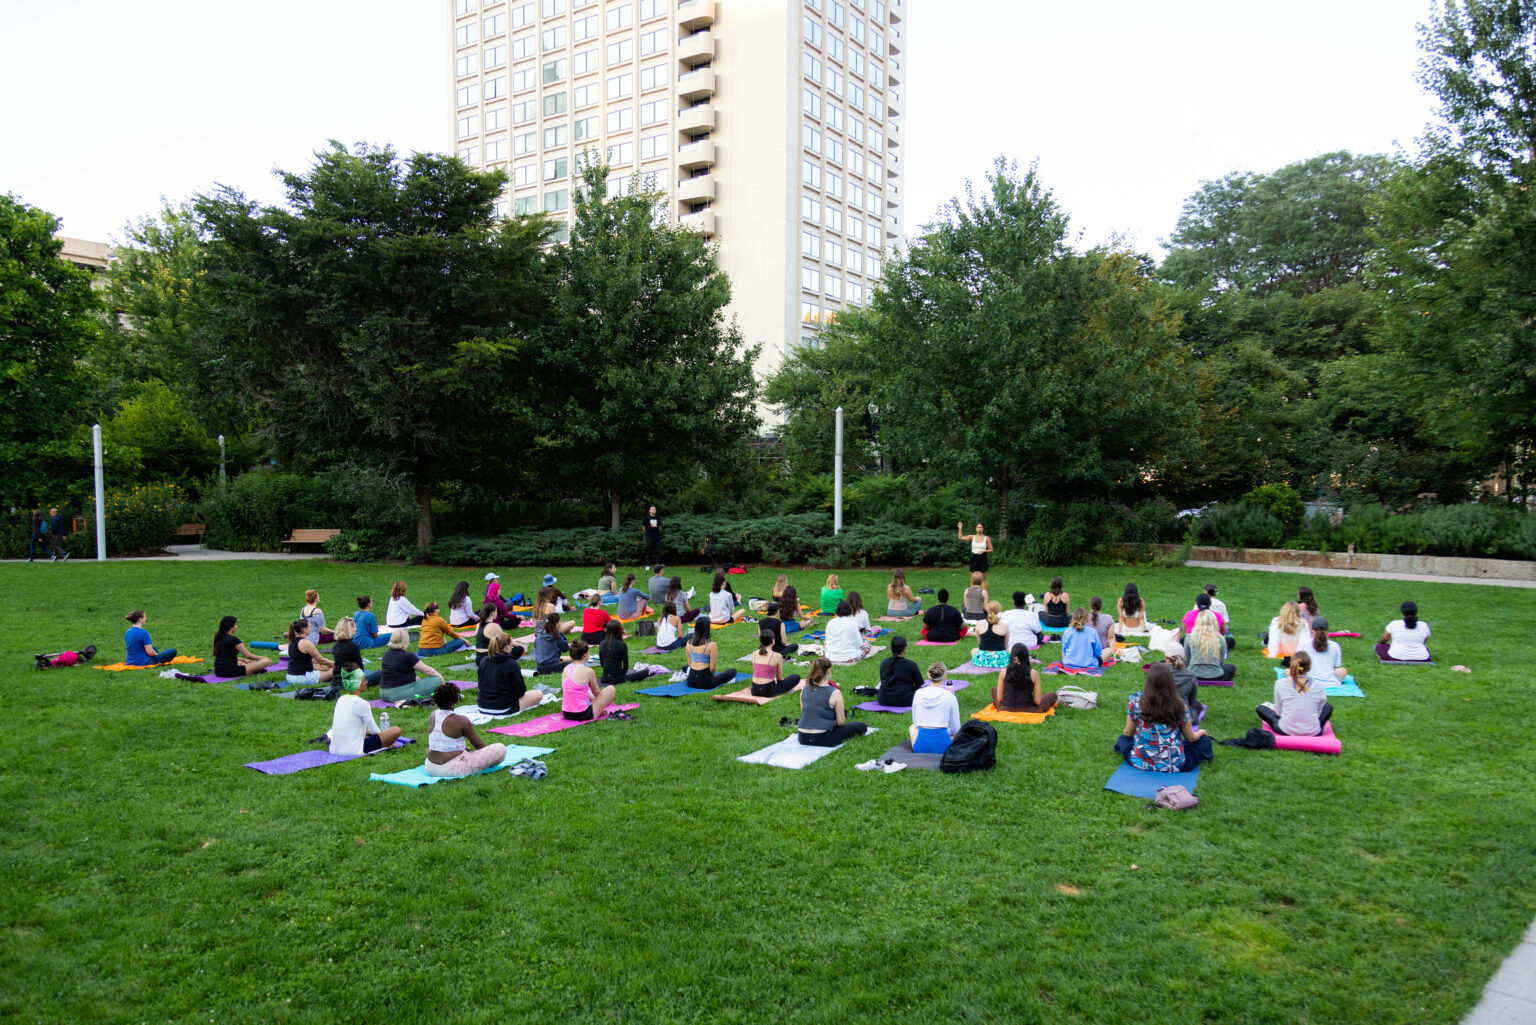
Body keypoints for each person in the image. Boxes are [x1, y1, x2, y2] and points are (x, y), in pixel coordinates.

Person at [1115, 662, 1213, 772]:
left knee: (1122, 740)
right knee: (1204, 741)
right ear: (1170, 682)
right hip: (1173, 763)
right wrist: (1202, 732)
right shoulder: (1180, 706)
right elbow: (1190, 738)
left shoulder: (1136, 704)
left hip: (1141, 761)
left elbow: (1128, 733)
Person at [419, 681, 510, 776]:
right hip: (453, 770)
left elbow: (440, 741)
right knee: (500, 749)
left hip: (430, 767)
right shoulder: (461, 720)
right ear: (455, 700)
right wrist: (486, 757)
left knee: (464, 748)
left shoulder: (433, 715)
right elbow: (478, 745)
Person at [1256, 650, 1334, 737]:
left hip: (1285, 729)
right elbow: (1318, 711)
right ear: (1309, 667)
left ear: (1292, 665)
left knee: (1261, 708)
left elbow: (1278, 712)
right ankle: (1308, 726)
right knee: (1328, 707)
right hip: (1313, 731)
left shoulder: (1280, 683)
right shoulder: (1319, 685)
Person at [329, 668, 403, 757]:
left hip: (334, 748)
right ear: (359, 684)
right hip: (353, 750)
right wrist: (386, 740)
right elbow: (375, 731)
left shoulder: (341, 699)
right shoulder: (362, 703)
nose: (366, 683)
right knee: (396, 730)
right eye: (365, 681)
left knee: (368, 733)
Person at [797, 657, 869, 747]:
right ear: (829, 671)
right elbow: (841, 722)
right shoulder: (834, 692)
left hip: (803, 737)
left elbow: (805, 713)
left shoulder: (804, 689)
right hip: (823, 738)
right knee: (862, 726)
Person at [477, 634, 542, 716]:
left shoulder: (484, 661)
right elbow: (520, 692)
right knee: (538, 694)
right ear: (507, 647)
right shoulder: (511, 663)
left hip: (482, 705)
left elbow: (480, 683)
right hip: (503, 707)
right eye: (511, 646)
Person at [379, 629, 445, 703]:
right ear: (406, 641)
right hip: (399, 694)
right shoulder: (408, 656)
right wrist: (440, 677)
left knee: (419, 680)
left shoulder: (386, 654)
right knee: (436, 680)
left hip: (383, 693)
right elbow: (427, 670)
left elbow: (396, 670)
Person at [911, 662, 963, 753]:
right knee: (958, 734)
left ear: (928, 675)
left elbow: (916, 724)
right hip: (943, 748)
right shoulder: (950, 697)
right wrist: (946, 731)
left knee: (912, 728)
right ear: (945, 677)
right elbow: (956, 728)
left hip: (920, 748)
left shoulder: (918, 693)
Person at [562, 639, 621, 720]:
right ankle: (597, 711)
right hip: (583, 714)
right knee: (611, 689)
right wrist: (605, 701)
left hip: (566, 713)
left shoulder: (566, 669)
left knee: (585, 689)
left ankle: (597, 709)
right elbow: (597, 693)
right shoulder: (588, 671)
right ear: (585, 655)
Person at [994, 643, 1057, 714]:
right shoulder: (1034, 673)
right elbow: (1037, 701)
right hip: (1029, 710)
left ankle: (1004, 707)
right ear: (1026, 657)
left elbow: (1000, 699)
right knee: (1053, 695)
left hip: (1005, 708)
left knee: (995, 690)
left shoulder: (1003, 671)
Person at [749, 628, 803, 698]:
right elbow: (779, 679)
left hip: (754, 690)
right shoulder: (777, 656)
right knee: (796, 677)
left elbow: (759, 672)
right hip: (769, 691)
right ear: (773, 641)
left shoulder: (754, 653)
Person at [1183, 610, 1235, 681]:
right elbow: (1221, 660)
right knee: (1231, 667)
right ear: (1214, 622)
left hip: (1193, 674)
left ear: (1198, 621)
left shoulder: (1189, 637)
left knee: (1181, 663)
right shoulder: (1220, 638)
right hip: (1216, 676)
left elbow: (1188, 657)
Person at [684, 619, 737, 689]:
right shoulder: (711, 645)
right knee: (733, 671)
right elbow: (712, 668)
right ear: (708, 629)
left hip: (691, 681)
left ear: (696, 628)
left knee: (686, 666)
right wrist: (710, 678)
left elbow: (690, 664)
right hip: (705, 683)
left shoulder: (688, 643)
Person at [329, 617, 381, 688]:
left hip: (336, 681)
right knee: (381, 673)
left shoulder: (336, 645)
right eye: (354, 627)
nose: (356, 629)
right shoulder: (353, 646)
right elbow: (359, 667)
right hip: (350, 682)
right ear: (349, 629)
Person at [598, 619, 650, 689]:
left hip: (605, 678)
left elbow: (602, 663)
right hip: (618, 679)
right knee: (645, 672)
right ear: (619, 630)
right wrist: (621, 675)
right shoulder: (622, 645)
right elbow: (626, 666)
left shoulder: (602, 643)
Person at [876, 635, 925, 707]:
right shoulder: (911, 665)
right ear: (905, 649)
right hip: (905, 699)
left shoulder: (884, 663)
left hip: (884, 699)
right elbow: (919, 685)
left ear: (891, 648)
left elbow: (883, 680)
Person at [1162, 643, 1204, 723]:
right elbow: (1192, 700)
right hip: (1183, 717)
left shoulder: (1156, 672)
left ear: (1166, 657)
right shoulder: (1191, 675)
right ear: (1183, 657)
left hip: (1159, 714)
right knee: (1197, 704)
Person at [284, 619, 334, 687]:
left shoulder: (291, 641)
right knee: (336, 670)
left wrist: (327, 664)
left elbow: (305, 659)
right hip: (302, 678)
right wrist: (336, 664)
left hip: (290, 676)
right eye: (309, 626)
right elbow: (321, 660)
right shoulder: (306, 643)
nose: (311, 628)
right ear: (304, 630)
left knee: (326, 668)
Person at [1301, 616, 1347, 687]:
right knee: (1343, 670)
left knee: (1288, 671)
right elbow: (1335, 666)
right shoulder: (1335, 646)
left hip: (1307, 682)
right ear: (1327, 628)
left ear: (1312, 628)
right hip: (1330, 683)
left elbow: (1298, 664)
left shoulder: (1304, 644)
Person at [971, 600, 1011, 668]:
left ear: (987, 610)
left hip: (982, 659)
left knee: (973, 650)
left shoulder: (979, 624)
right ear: (999, 611)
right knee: (1010, 649)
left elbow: (980, 643)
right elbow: (1006, 647)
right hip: (1000, 660)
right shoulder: (1005, 625)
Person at [957, 521, 994, 588]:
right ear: (975, 528)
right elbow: (960, 538)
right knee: (973, 578)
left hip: (982, 558)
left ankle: (984, 595)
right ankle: (973, 594)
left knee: (983, 578)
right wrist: (960, 528)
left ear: (983, 529)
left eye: (981, 527)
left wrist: (984, 551)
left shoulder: (986, 538)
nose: (979, 528)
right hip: (974, 557)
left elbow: (991, 549)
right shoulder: (972, 537)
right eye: (977, 527)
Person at [473, 602, 506, 668]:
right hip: (489, 658)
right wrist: (519, 644)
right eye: (496, 611)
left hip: (478, 658)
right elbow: (505, 641)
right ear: (492, 613)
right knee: (518, 649)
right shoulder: (494, 626)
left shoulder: (478, 625)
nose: (497, 613)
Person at [642, 505, 662, 569]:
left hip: (657, 537)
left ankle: (657, 565)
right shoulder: (646, 518)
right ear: (649, 510)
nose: (654, 510)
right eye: (652, 509)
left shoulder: (658, 518)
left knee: (657, 551)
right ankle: (647, 565)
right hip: (649, 537)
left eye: (655, 509)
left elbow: (659, 526)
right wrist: (647, 532)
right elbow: (643, 526)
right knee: (649, 551)